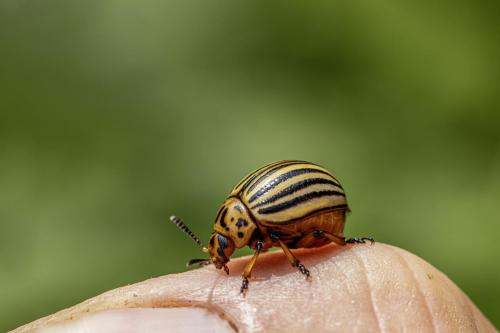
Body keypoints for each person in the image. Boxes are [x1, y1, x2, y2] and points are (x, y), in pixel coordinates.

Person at [12, 243, 496, 332]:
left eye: (225, 247)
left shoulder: (263, 233)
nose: (222, 255)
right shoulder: (251, 228)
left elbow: (275, 245)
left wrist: (246, 276)